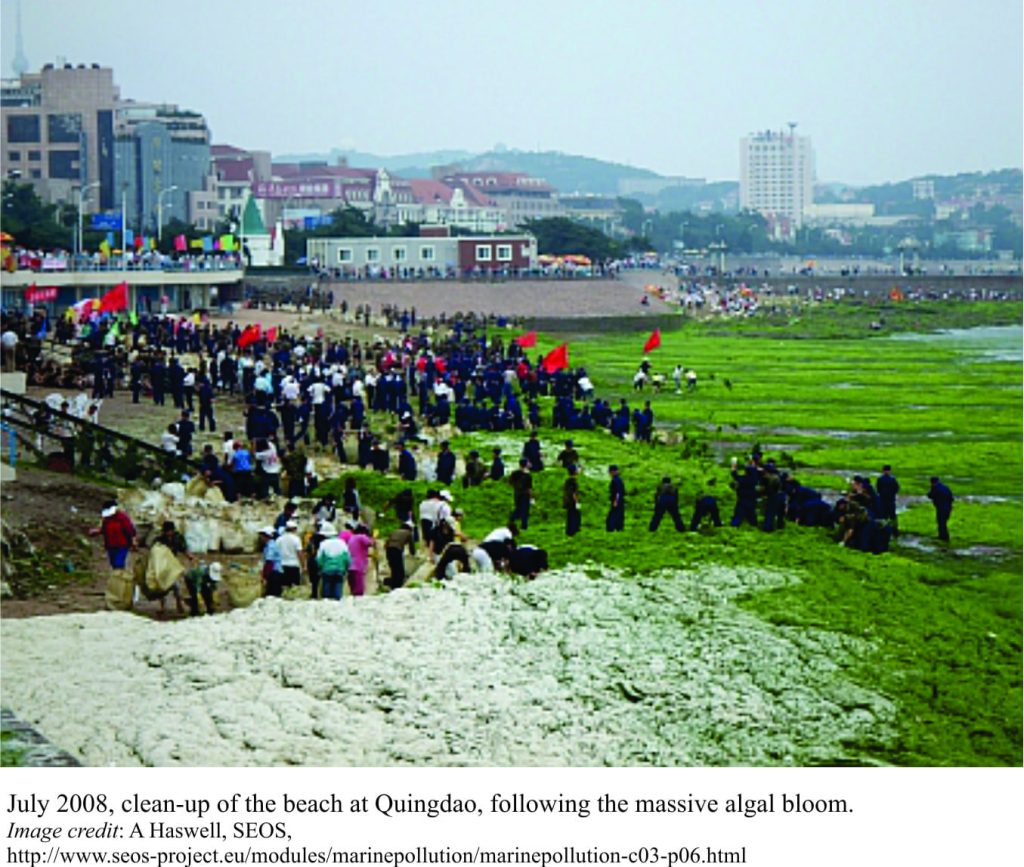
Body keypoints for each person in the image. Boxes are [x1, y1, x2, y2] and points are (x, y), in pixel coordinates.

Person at [91, 499, 137, 571]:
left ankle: (120, 577)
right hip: (110, 545)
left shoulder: (122, 517)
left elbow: (130, 529)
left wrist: (133, 540)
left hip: (122, 545)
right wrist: (96, 532)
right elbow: (104, 529)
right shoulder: (106, 519)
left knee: (119, 563)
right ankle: (117, 577)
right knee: (113, 563)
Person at [315, 523, 351, 600]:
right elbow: (347, 559)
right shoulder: (342, 543)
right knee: (338, 588)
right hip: (340, 569)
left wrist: (320, 568)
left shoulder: (323, 544)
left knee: (326, 591)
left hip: (327, 570)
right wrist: (346, 568)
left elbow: (319, 559)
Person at [384, 520, 416, 589]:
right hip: (397, 550)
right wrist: (413, 554)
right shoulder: (408, 533)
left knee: (393, 569)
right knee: (400, 571)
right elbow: (412, 546)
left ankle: (392, 584)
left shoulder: (394, 531)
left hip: (389, 550)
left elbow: (386, 543)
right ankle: (397, 586)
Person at [276, 519, 304, 591]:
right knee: (294, 589)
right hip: (294, 565)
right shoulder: (296, 539)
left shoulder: (279, 539)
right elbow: (299, 553)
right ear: (294, 529)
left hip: (282, 565)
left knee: (284, 587)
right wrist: (304, 565)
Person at [258, 526, 284, 597]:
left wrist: (265, 577)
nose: (260, 538)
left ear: (267, 536)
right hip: (273, 573)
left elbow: (269, 562)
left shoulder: (271, 546)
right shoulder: (268, 546)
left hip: (274, 573)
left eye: (262, 536)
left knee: (272, 595)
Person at [927, 476, 954, 541]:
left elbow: (930, 495)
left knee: (941, 523)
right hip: (948, 507)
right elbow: (951, 498)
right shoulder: (945, 487)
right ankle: (943, 536)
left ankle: (944, 537)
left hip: (941, 508)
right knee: (943, 523)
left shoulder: (936, 488)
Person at [509, 458, 533, 530]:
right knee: (525, 510)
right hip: (525, 494)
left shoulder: (515, 473)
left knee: (518, 508)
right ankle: (524, 525)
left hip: (517, 493)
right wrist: (531, 497)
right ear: (526, 464)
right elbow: (529, 488)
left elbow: (510, 482)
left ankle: (512, 519)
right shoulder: (528, 475)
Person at [876, 465, 900, 537]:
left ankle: (885, 531)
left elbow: (878, 489)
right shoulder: (892, 479)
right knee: (892, 517)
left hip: (884, 500)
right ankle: (894, 531)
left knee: (884, 516)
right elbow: (896, 488)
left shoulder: (880, 479)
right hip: (890, 500)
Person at [563, 463, 581, 536]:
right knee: (573, 516)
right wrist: (576, 501)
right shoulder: (573, 481)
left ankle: (570, 531)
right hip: (572, 501)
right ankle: (572, 531)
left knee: (570, 515)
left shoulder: (568, 480)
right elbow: (573, 492)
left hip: (568, 500)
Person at [606, 465, 625, 532]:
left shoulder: (615, 481)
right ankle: (619, 528)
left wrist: (615, 501)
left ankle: (611, 528)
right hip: (620, 501)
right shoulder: (620, 480)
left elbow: (617, 492)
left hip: (616, 501)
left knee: (613, 516)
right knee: (619, 515)